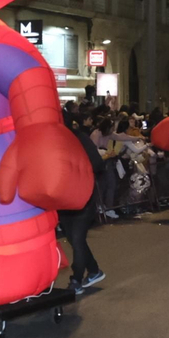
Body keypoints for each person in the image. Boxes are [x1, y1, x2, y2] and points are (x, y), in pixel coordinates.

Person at [64, 114, 104, 292]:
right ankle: (94, 270)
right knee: (74, 239)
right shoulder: (57, 140)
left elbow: (97, 163)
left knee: (77, 239)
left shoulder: (79, 139)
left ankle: (76, 279)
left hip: (82, 196)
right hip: (64, 198)